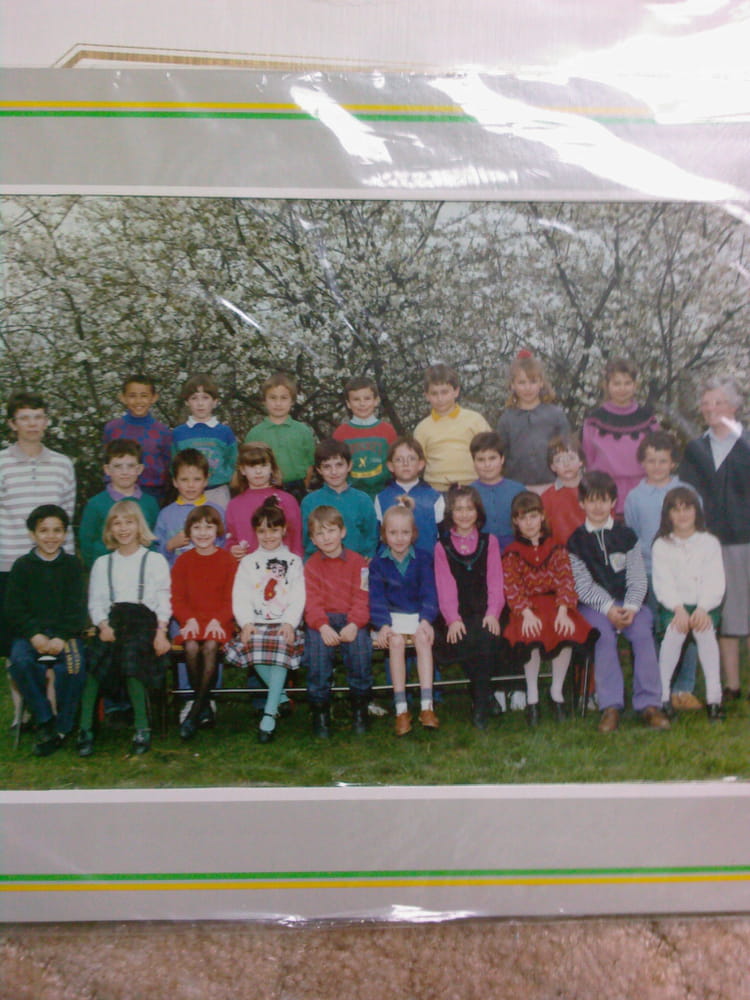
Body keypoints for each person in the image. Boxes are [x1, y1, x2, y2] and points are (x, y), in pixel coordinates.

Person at [567, 472, 670, 734]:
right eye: (591, 501)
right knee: (603, 637)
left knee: (643, 635)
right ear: (581, 503)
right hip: (596, 606)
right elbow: (582, 585)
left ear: (613, 502)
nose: (598, 506)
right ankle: (610, 706)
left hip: (630, 603)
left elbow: (637, 577)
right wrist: (608, 609)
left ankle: (649, 704)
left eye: (604, 500)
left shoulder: (627, 536)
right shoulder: (576, 542)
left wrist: (632, 607)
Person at [77, 501, 172, 757]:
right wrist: (102, 625)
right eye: (117, 523)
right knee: (96, 663)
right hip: (113, 621)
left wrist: (161, 631)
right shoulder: (103, 563)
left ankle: (142, 728)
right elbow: (96, 601)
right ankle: (85, 729)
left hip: (144, 622)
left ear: (138, 525)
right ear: (109, 529)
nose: (123, 528)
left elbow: (164, 599)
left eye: (129, 522)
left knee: (132, 661)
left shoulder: (153, 560)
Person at [679, 376, 750, 700]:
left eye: (717, 402)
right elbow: (688, 497)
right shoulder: (695, 449)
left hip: (746, 542)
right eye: (705, 404)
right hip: (711, 544)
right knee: (725, 615)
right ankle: (732, 685)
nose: (710, 409)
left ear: (734, 407)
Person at [502, 491, 595, 726]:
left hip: (556, 604)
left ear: (542, 516)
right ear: (515, 521)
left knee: (566, 630)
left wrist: (564, 610)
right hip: (527, 608)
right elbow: (512, 586)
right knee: (530, 634)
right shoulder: (512, 552)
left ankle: (557, 692)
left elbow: (566, 580)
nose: (529, 523)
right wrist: (525, 613)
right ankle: (532, 696)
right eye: (522, 519)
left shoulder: (557, 548)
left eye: (533, 517)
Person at [624, 430, 701, 710]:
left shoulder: (687, 493)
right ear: (642, 463)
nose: (657, 466)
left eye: (663, 461)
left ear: (673, 463)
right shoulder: (634, 497)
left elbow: (697, 532)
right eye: (651, 461)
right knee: (655, 630)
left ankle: (684, 687)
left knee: (686, 627)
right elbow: (632, 536)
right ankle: (657, 688)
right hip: (648, 572)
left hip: (682, 573)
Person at [0, 391, 76, 663]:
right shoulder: (2, 463)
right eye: (24, 418)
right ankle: (22, 706)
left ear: (46, 422)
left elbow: (66, 517)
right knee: (15, 649)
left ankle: (51, 703)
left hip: (52, 568)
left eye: (38, 417)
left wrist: (68, 563)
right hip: (9, 565)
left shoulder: (63, 464)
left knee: (54, 646)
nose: (32, 424)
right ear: (12, 423)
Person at [5, 505, 86, 756]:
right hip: (31, 633)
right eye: (44, 531)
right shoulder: (22, 566)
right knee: (19, 662)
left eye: (57, 531)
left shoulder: (72, 565)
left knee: (74, 665)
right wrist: (34, 634)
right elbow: (13, 608)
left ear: (65, 534)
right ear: (32, 535)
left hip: (66, 633)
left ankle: (63, 725)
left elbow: (77, 609)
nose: (51, 537)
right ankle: (44, 719)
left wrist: (61, 636)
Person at [224, 496, 305, 743]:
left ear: (283, 530)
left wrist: (290, 622)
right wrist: (246, 622)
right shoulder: (248, 562)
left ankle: (269, 715)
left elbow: (298, 596)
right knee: (252, 645)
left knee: (280, 646)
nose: (268, 536)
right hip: (257, 623)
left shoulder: (293, 561)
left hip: (283, 623)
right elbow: (241, 594)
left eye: (273, 530)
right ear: (255, 532)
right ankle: (279, 696)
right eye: (262, 531)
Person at [433, 485, 504, 729]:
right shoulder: (442, 546)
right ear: (450, 513)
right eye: (458, 509)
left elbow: (495, 580)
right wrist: (452, 618)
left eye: (469, 508)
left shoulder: (489, 541)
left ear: (478, 512)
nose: (464, 514)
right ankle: (483, 695)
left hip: (485, 609)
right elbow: (445, 586)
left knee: (484, 636)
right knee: (463, 636)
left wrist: (493, 613)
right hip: (456, 611)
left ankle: (480, 706)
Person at [652, 487, 726, 722]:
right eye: (676, 509)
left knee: (705, 633)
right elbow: (663, 583)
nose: (682, 514)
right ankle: (662, 697)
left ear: (697, 511)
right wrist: (678, 609)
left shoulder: (709, 543)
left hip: (705, 606)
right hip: (675, 607)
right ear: (668, 515)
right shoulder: (661, 545)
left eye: (688, 508)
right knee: (674, 633)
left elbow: (715, 581)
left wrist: (703, 608)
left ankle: (715, 699)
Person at [369, 504, 440, 735]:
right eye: (393, 533)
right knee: (396, 643)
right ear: (384, 535)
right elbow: (376, 599)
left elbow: (430, 593)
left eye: (405, 533)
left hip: (417, 617)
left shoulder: (423, 558)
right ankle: (401, 709)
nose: (399, 539)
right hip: (391, 620)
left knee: (422, 640)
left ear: (414, 534)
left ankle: (426, 706)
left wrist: (427, 620)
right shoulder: (378, 563)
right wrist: (383, 626)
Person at [304, 505, 373, 738]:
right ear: (313, 539)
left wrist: (354, 624)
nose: (327, 538)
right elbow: (311, 602)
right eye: (320, 534)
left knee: (360, 651)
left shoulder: (358, 563)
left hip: (351, 619)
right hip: (322, 621)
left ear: (342, 532)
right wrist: (322, 626)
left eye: (331, 531)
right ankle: (320, 711)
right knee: (317, 655)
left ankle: (360, 708)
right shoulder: (311, 566)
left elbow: (362, 598)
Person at [171, 505, 237, 740]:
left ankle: (194, 712)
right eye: (197, 527)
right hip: (192, 621)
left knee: (210, 646)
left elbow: (232, 598)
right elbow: (177, 598)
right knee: (190, 646)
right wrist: (187, 619)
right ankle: (204, 704)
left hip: (219, 623)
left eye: (208, 527)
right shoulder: (183, 561)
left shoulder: (228, 560)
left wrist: (219, 620)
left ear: (217, 530)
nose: (202, 532)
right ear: (189, 531)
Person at [582, 357, 659, 515]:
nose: (622, 388)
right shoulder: (594, 421)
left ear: (635, 385)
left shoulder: (647, 419)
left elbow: (658, 454)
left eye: (627, 383)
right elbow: (588, 457)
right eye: (616, 383)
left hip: (642, 488)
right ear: (607, 386)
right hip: (605, 491)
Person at [78, 439, 160, 568]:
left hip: (143, 571)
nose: (125, 472)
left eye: (131, 466)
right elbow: (87, 544)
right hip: (108, 572)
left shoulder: (150, 503)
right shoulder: (95, 504)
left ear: (140, 469)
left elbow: (154, 539)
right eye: (118, 466)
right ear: (107, 469)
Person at [497, 351, 570, 493]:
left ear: (541, 383)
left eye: (533, 381)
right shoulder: (507, 419)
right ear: (512, 385)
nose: (527, 388)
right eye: (521, 382)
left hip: (552, 485)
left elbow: (565, 450)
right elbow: (501, 454)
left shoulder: (555, 415)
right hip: (516, 487)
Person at [413, 363, 491, 491]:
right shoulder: (422, 429)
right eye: (434, 393)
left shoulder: (475, 420)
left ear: (456, 391)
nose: (440, 398)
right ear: (426, 396)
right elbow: (417, 463)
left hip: (472, 488)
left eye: (444, 392)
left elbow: (491, 452)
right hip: (435, 490)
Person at [244, 372, 315, 503]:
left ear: (292, 401)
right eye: (273, 398)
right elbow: (248, 465)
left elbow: (309, 464)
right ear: (264, 401)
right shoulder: (255, 434)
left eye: (284, 398)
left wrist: (303, 486)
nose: (278, 403)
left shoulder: (302, 431)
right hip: (265, 488)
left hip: (297, 489)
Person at [301, 439, 378, 559]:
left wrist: (367, 557)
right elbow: (307, 542)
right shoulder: (309, 502)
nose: (334, 472)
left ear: (349, 466)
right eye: (327, 466)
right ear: (319, 470)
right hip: (322, 568)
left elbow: (371, 537)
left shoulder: (363, 500)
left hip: (356, 566)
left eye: (339, 465)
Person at [224, 443, 303, 559]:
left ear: (272, 468)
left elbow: (296, 539)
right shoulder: (234, 505)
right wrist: (232, 548)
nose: (258, 471)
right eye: (252, 466)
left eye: (263, 465)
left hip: (283, 567)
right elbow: (230, 538)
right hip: (248, 570)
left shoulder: (287, 500)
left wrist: (296, 565)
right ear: (242, 470)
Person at [103, 374, 172, 503]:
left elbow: (168, 465)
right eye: (132, 396)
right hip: (117, 491)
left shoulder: (163, 432)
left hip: (152, 492)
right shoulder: (112, 429)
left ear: (154, 398)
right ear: (123, 398)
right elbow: (107, 461)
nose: (138, 401)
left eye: (144, 396)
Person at [171, 373, 238, 506]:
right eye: (194, 398)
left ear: (215, 402)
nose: (200, 403)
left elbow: (233, 462)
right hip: (187, 493)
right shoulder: (178, 433)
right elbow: (173, 465)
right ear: (187, 402)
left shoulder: (224, 432)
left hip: (218, 492)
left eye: (205, 398)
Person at [374, 437, 444, 556]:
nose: (405, 464)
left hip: (427, 565)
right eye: (399, 460)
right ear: (391, 466)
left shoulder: (434, 497)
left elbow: (442, 537)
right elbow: (378, 537)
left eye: (411, 459)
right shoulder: (381, 498)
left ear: (421, 464)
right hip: (392, 566)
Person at [155, 449, 224, 568]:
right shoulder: (165, 514)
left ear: (206, 480)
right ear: (175, 482)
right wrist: (170, 545)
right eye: (184, 479)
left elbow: (223, 546)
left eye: (197, 479)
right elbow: (156, 553)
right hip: (176, 579)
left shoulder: (217, 511)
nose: (190, 485)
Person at [332, 376, 398, 499]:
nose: (362, 404)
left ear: (376, 400)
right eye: (356, 399)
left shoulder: (387, 430)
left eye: (367, 398)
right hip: (351, 495)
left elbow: (395, 463)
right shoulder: (340, 433)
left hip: (383, 493)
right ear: (348, 404)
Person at [469, 430, 524, 552]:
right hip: (480, 552)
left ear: (502, 459)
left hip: (515, 552)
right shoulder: (468, 493)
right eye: (481, 460)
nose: (487, 464)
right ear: (473, 462)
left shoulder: (518, 490)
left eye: (492, 458)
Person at [541, 434, 586, 546]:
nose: (566, 464)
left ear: (581, 461)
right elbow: (544, 533)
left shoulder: (594, 490)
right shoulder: (546, 498)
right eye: (559, 460)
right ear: (552, 466)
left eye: (571, 458)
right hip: (562, 555)